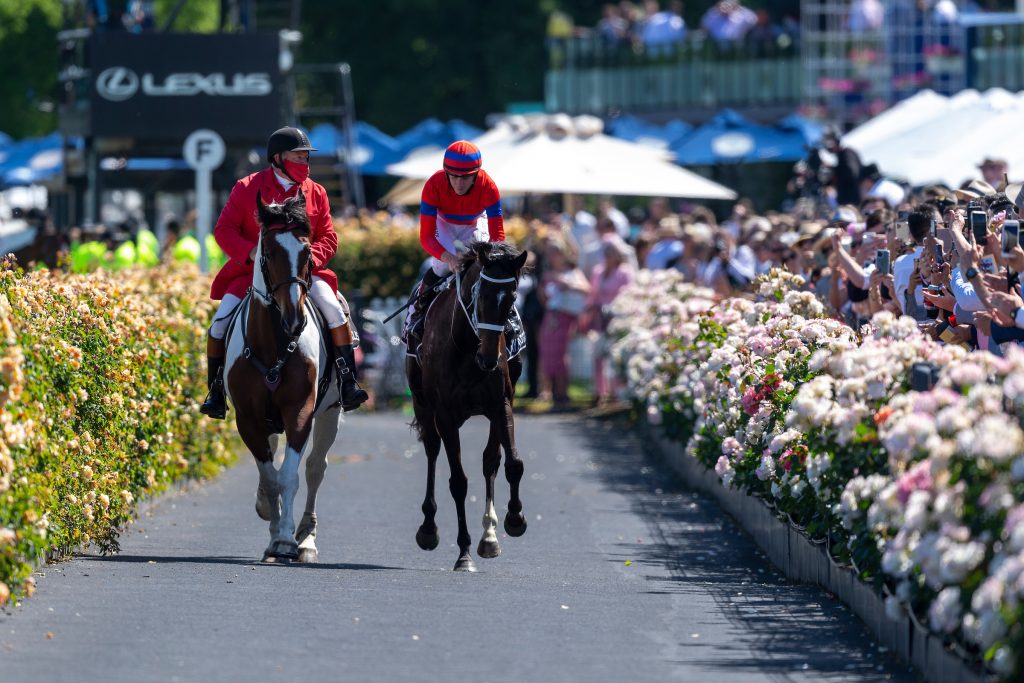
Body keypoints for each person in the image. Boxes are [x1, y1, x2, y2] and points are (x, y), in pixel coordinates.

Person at [200, 126, 368, 419]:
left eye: (306, 158)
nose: (305, 164)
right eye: (298, 157)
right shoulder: (247, 187)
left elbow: (329, 236)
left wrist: (310, 258)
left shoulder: (316, 192)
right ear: (277, 158)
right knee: (219, 324)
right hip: (251, 274)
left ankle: (348, 382)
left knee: (334, 311)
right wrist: (250, 253)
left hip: (304, 274)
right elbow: (223, 230)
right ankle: (215, 390)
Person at [403, 140, 505, 349]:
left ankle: (508, 318)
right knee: (440, 266)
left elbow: (497, 237)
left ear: (476, 174)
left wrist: (492, 261)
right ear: (445, 172)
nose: (458, 183)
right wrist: (448, 258)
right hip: (444, 223)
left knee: (483, 263)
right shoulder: (433, 185)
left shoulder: (489, 187)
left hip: (474, 222)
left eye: (466, 177)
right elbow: (427, 237)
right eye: (453, 176)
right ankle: (416, 313)